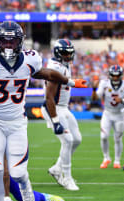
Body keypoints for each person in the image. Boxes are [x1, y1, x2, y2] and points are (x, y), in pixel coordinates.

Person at [0, 21, 87, 201]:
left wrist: (71, 81)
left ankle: (27, 193)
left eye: (13, 41)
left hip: (17, 122)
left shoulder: (30, 59)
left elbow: (48, 74)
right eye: (4, 41)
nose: (9, 45)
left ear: (20, 42)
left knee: (18, 173)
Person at [40, 39, 82, 191]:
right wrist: (56, 120)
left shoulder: (63, 66)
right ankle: (66, 177)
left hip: (63, 107)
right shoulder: (55, 68)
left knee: (77, 139)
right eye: (65, 53)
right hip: (54, 108)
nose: (68, 56)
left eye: (69, 53)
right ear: (57, 53)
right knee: (68, 140)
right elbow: (49, 97)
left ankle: (57, 169)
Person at [91, 65, 124, 169]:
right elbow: (95, 98)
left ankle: (117, 160)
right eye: (113, 75)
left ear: (120, 76)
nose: (115, 78)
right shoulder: (104, 84)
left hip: (120, 114)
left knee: (118, 139)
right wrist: (94, 88)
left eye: (117, 75)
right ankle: (106, 158)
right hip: (107, 113)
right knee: (103, 137)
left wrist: (122, 100)